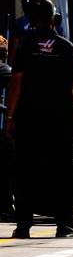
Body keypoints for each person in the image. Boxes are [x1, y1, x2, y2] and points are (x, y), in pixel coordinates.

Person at [5, 0, 73, 238]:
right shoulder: (66, 47)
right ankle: (64, 225)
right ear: (56, 20)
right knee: (63, 171)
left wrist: (9, 117)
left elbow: (15, 84)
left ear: (34, 21)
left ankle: (23, 226)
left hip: (29, 119)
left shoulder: (25, 45)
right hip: (59, 120)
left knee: (25, 171)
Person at [0, 36, 16, 221]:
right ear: (5, 54)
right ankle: (5, 205)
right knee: (10, 155)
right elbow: (20, 84)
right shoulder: (5, 69)